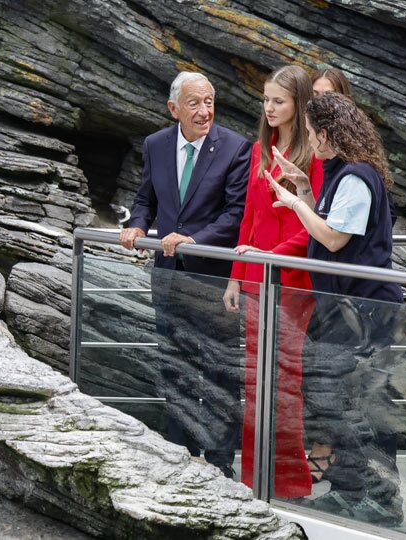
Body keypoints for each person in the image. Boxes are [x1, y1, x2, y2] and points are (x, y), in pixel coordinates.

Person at [269, 92, 403, 525]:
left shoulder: (357, 178)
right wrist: (306, 188)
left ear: (327, 135)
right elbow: (332, 223)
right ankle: (350, 491)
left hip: (360, 315)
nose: (309, 140)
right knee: (334, 404)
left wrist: (293, 203)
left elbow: (332, 239)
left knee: (348, 407)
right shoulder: (342, 173)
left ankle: (380, 498)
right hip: (342, 312)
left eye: (311, 133)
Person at [120, 71, 251, 477]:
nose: (204, 111)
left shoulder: (235, 147)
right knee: (173, 362)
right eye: (194, 103)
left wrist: (194, 238)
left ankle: (219, 459)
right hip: (167, 277)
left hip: (213, 279)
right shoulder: (155, 144)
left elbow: (235, 215)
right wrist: (137, 225)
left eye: (209, 101)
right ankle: (178, 448)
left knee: (218, 368)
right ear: (174, 108)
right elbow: (146, 199)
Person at [222, 65, 323, 498]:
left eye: (278, 101)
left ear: (299, 104)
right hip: (255, 281)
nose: (270, 108)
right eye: (266, 100)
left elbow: (312, 226)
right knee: (254, 382)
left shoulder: (315, 155)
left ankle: (290, 481)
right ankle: (253, 476)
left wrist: (270, 258)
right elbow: (248, 219)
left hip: (292, 281)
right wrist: (235, 278)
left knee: (285, 381)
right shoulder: (260, 149)